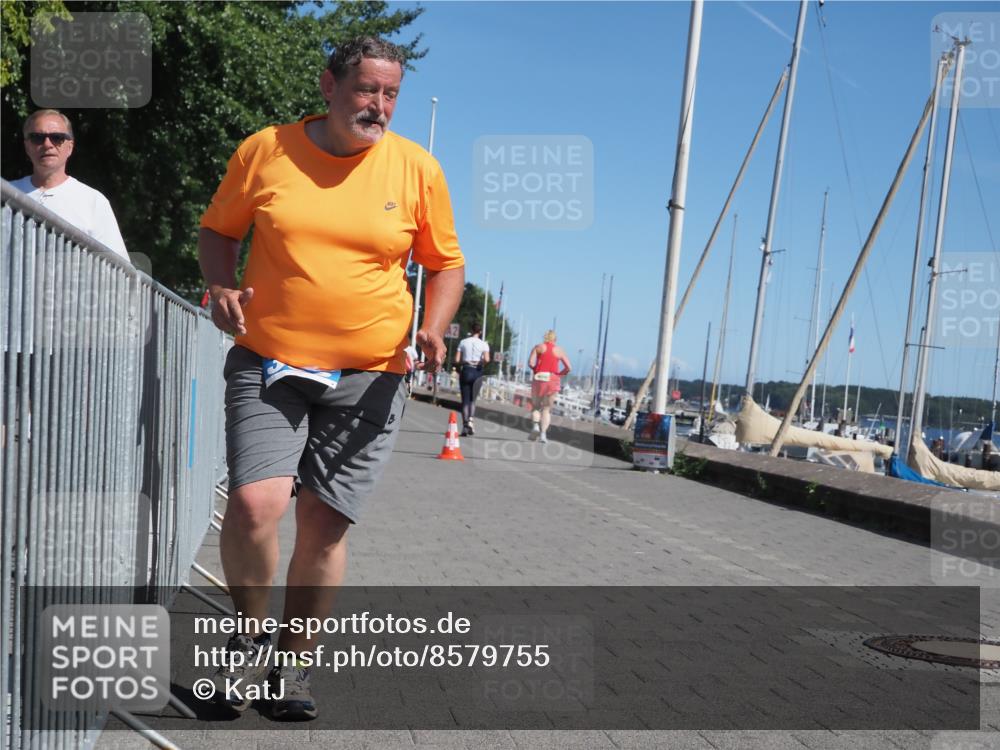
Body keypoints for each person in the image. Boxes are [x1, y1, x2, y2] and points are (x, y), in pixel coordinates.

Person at [197, 36, 464, 721]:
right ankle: (248, 639)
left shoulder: (417, 170)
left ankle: (291, 666)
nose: (379, 105)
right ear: (328, 85)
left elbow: (445, 264)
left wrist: (433, 326)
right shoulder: (266, 150)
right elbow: (219, 229)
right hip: (269, 360)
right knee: (258, 505)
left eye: (391, 93)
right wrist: (221, 285)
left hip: (369, 375)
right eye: (366, 89)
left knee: (323, 527)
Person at [9, 109, 129, 260]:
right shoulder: (6, 193)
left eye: (57, 137)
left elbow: (118, 270)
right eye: (37, 138)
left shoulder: (93, 202)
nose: (47, 144)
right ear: (27, 146)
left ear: (70, 147)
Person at [528, 330, 571, 443]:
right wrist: (560, 375)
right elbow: (568, 367)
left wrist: (535, 370)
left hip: (539, 379)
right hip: (552, 380)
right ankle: (543, 435)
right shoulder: (559, 350)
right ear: (555, 340)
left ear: (545, 338)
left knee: (536, 407)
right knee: (546, 409)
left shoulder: (538, 347)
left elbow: (531, 363)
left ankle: (535, 427)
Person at [454, 322, 490, 436]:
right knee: (473, 400)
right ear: (480, 332)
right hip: (477, 371)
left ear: (471, 330)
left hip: (466, 370)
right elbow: (487, 359)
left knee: (465, 400)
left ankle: (465, 425)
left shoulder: (463, 342)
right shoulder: (484, 344)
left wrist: (465, 361)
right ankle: (470, 420)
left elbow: (457, 359)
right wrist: (480, 362)